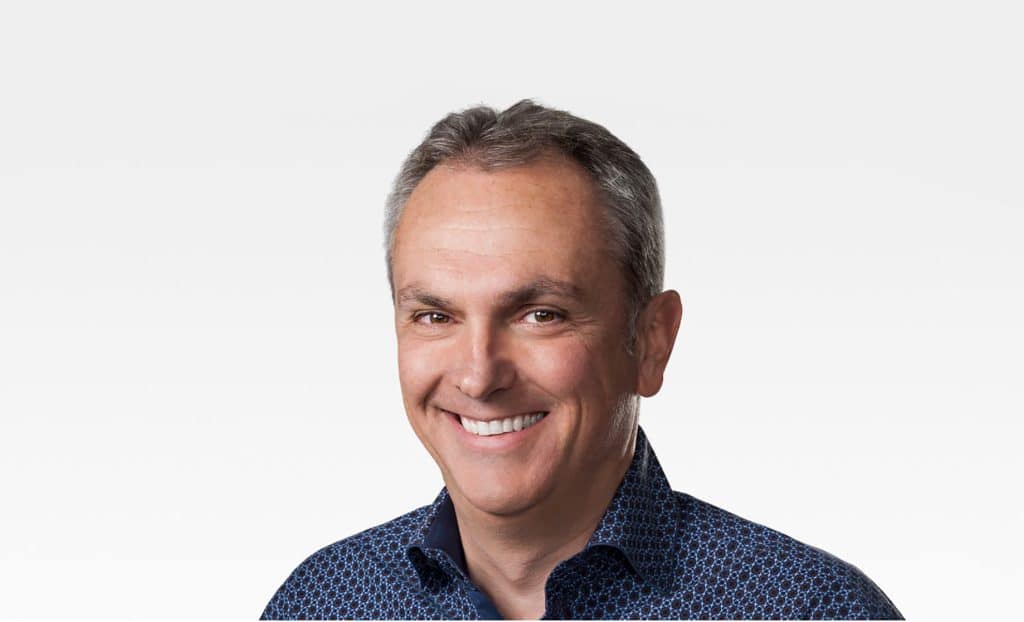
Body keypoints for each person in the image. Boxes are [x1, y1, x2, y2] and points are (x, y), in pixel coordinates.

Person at [260, 100, 902, 620]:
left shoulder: (810, 610)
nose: (479, 375)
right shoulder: (321, 605)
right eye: (436, 316)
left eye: (540, 314)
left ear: (651, 341)